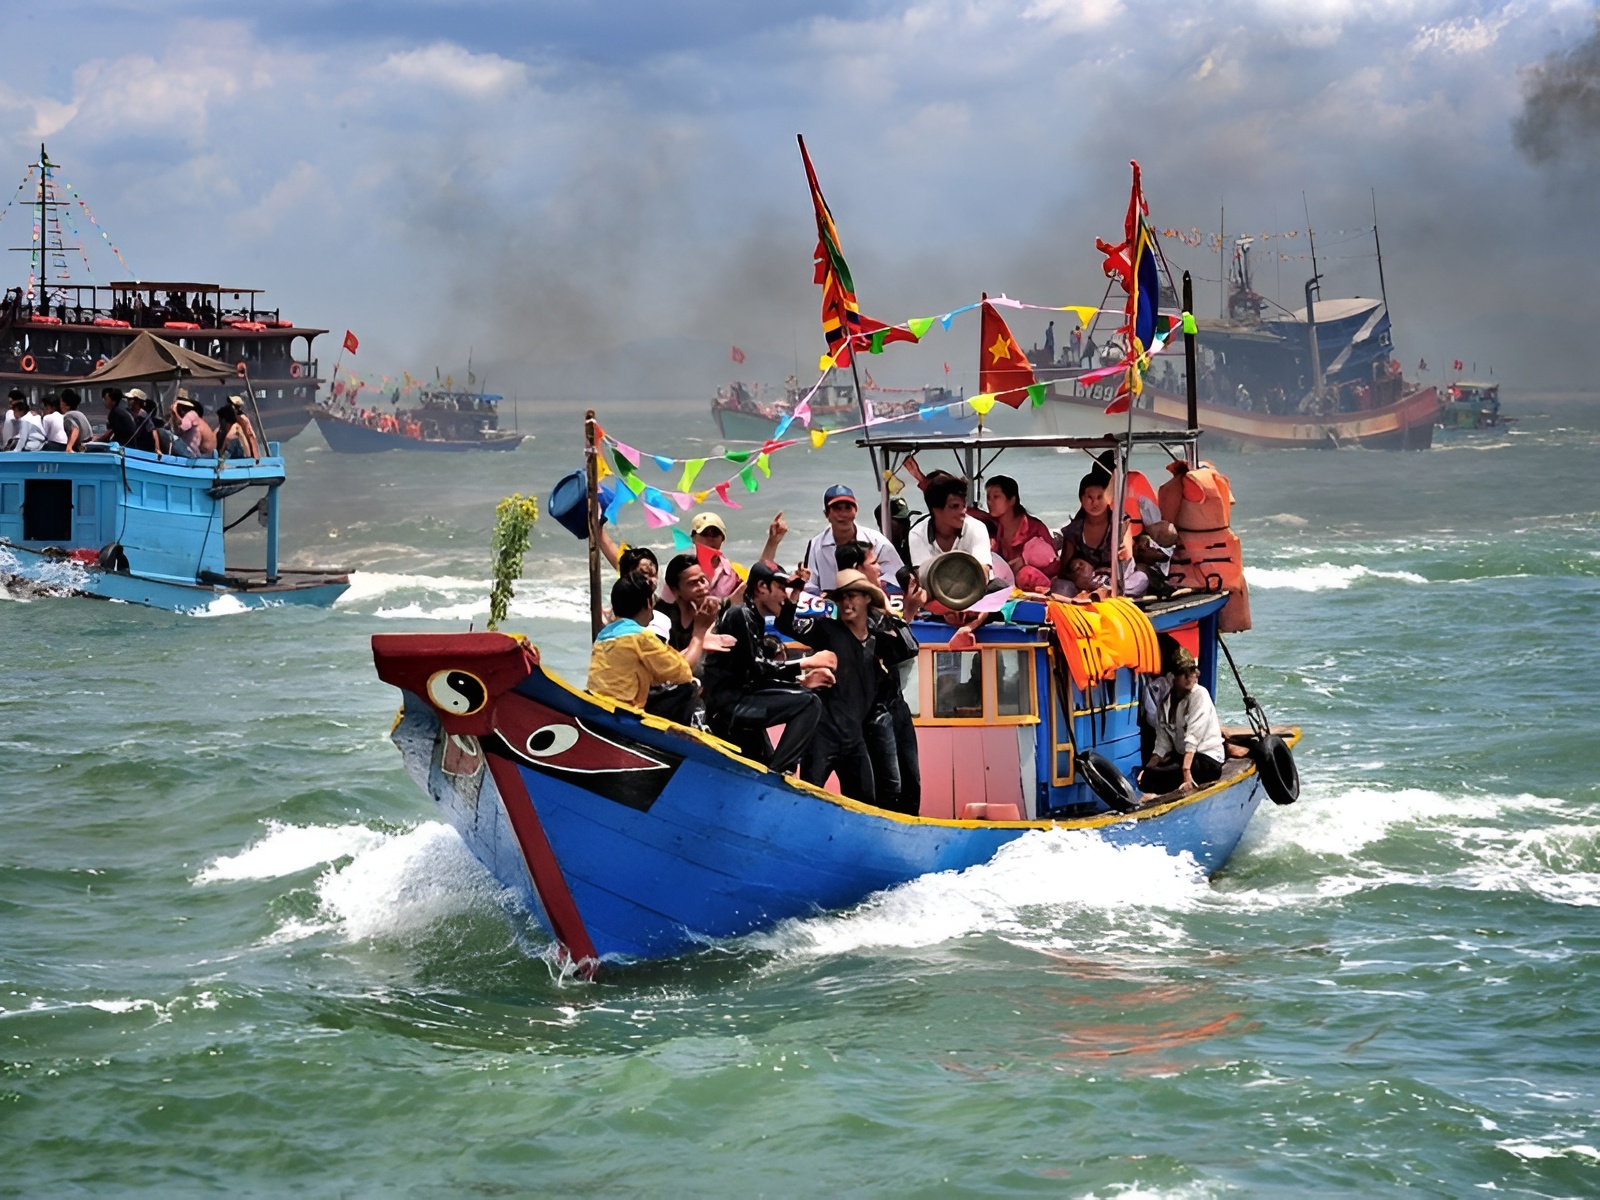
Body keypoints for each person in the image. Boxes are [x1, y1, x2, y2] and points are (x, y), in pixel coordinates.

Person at [777, 568, 908, 804]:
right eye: (842, 597)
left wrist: (889, 612)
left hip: (854, 739)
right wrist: (795, 593)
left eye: (853, 596)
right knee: (807, 801)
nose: (846, 603)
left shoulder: (879, 641)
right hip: (821, 736)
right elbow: (786, 624)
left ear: (868, 598)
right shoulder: (828, 630)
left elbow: (909, 648)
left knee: (865, 805)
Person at [702, 560, 835, 774]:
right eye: (781, 588)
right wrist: (806, 663)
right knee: (809, 703)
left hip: (742, 703)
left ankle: (777, 772)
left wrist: (801, 680)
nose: (784, 595)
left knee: (804, 697)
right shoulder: (740, 614)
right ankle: (780, 773)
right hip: (730, 709)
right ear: (762, 587)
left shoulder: (755, 618)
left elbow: (759, 670)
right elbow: (758, 669)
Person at [587, 573, 703, 725]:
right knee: (689, 688)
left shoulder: (603, 635)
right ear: (648, 604)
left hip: (596, 703)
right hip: (623, 711)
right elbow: (681, 671)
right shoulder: (641, 637)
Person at [1138, 648, 1225, 797]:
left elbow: (1193, 737)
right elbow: (1162, 742)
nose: (1189, 677)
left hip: (1206, 758)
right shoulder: (1165, 704)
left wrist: (1186, 774)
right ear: (1172, 677)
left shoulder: (1199, 695)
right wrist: (1148, 768)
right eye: (1183, 673)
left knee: (1167, 777)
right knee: (1148, 778)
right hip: (1183, 757)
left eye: (1192, 673)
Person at [1054, 469, 1146, 597]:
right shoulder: (1073, 531)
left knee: (1141, 580)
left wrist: (1124, 551)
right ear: (1081, 499)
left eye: (1099, 497)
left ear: (1108, 498)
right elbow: (1063, 572)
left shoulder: (1121, 522)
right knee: (1061, 587)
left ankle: (1104, 593)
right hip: (1087, 583)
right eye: (1089, 498)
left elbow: (1127, 552)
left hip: (1117, 581)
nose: (1095, 503)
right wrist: (1079, 576)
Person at [801, 485, 905, 594]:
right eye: (837, 508)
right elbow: (810, 587)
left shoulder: (878, 542)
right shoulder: (815, 545)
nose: (843, 514)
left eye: (848, 507)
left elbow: (896, 578)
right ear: (826, 514)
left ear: (856, 510)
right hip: (830, 607)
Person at [908, 472, 991, 583]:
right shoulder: (917, 534)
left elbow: (983, 574)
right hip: (935, 593)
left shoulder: (977, 528)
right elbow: (925, 579)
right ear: (936, 509)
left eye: (964, 505)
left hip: (977, 591)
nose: (963, 511)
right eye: (954, 506)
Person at [656, 554, 726, 670]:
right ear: (675, 590)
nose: (702, 587)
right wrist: (700, 640)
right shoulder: (662, 618)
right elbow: (665, 668)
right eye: (693, 583)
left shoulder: (714, 609)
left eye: (702, 580)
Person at [985, 475, 1054, 591]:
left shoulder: (1035, 528)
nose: (990, 502)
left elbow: (1054, 564)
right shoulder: (988, 527)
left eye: (996, 497)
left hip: (1036, 589)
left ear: (1012, 500)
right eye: (988, 497)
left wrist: (1026, 560)